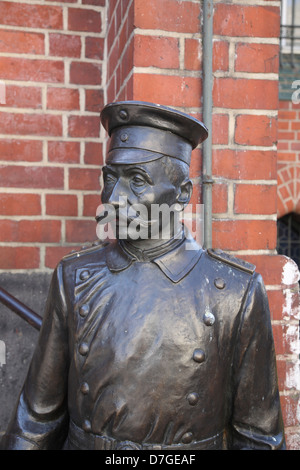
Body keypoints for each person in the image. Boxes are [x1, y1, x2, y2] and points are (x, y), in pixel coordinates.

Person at [1, 101, 285, 450]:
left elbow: (258, 437)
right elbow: (36, 420)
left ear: (182, 194)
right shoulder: (74, 277)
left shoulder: (234, 292)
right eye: (110, 178)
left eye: (137, 180)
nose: (115, 198)